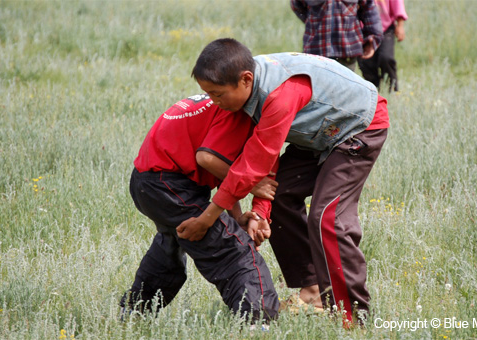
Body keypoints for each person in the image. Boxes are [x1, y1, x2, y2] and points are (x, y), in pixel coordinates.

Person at [178, 38, 390, 326]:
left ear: (245, 80)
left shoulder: (278, 95)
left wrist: (207, 217)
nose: (214, 103)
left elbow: (253, 165)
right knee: (282, 196)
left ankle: (353, 318)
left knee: (327, 217)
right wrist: (261, 215)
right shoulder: (249, 87)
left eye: (217, 95)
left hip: (359, 127)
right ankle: (314, 290)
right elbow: (266, 167)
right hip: (322, 131)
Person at [120, 94, 280, 323]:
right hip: (169, 185)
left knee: (171, 247)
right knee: (234, 251)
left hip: (148, 182)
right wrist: (252, 185)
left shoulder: (223, 99)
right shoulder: (239, 112)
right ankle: (258, 322)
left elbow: (222, 168)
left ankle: (134, 312)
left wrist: (237, 216)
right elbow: (209, 159)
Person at [290, 0, 384, 70]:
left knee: (345, 89)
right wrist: (313, 22)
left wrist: (373, 38)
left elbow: (369, 9)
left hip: (347, 50)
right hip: (316, 50)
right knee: (318, 90)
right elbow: (297, 6)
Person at [358, 0, 408, 92]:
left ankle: (392, 89)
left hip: (385, 29)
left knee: (386, 58)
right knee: (366, 63)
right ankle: (374, 92)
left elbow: (397, 3)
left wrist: (400, 25)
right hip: (363, 30)